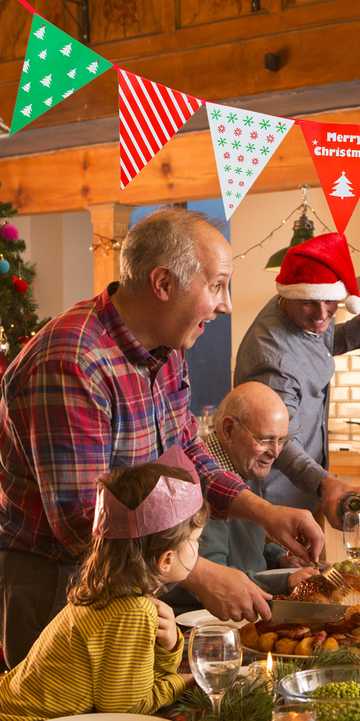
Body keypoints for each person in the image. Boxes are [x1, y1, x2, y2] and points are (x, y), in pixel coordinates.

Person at [0, 208, 324, 668]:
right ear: (163, 283)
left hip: (132, 569)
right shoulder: (73, 362)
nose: (226, 304)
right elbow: (80, 521)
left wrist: (263, 511)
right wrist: (200, 574)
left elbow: (186, 453)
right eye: (217, 285)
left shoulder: (166, 350)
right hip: (58, 579)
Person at [0, 448, 203, 721]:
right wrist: (181, 683)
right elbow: (128, 711)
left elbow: (138, 685)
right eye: (196, 540)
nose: (200, 548)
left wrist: (169, 645)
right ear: (166, 560)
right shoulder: (131, 612)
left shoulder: (111, 595)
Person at [234, 233, 360, 528]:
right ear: (291, 295)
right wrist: (326, 483)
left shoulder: (297, 309)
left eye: (331, 301)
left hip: (305, 492)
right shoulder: (273, 360)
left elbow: (318, 341)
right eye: (309, 303)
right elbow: (279, 443)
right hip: (276, 505)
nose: (321, 313)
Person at [164, 382, 318, 615]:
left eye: (282, 440)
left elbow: (245, 552)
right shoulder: (200, 489)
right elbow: (216, 581)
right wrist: (285, 582)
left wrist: (278, 558)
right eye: (265, 439)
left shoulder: (246, 466)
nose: (275, 452)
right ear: (228, 430)